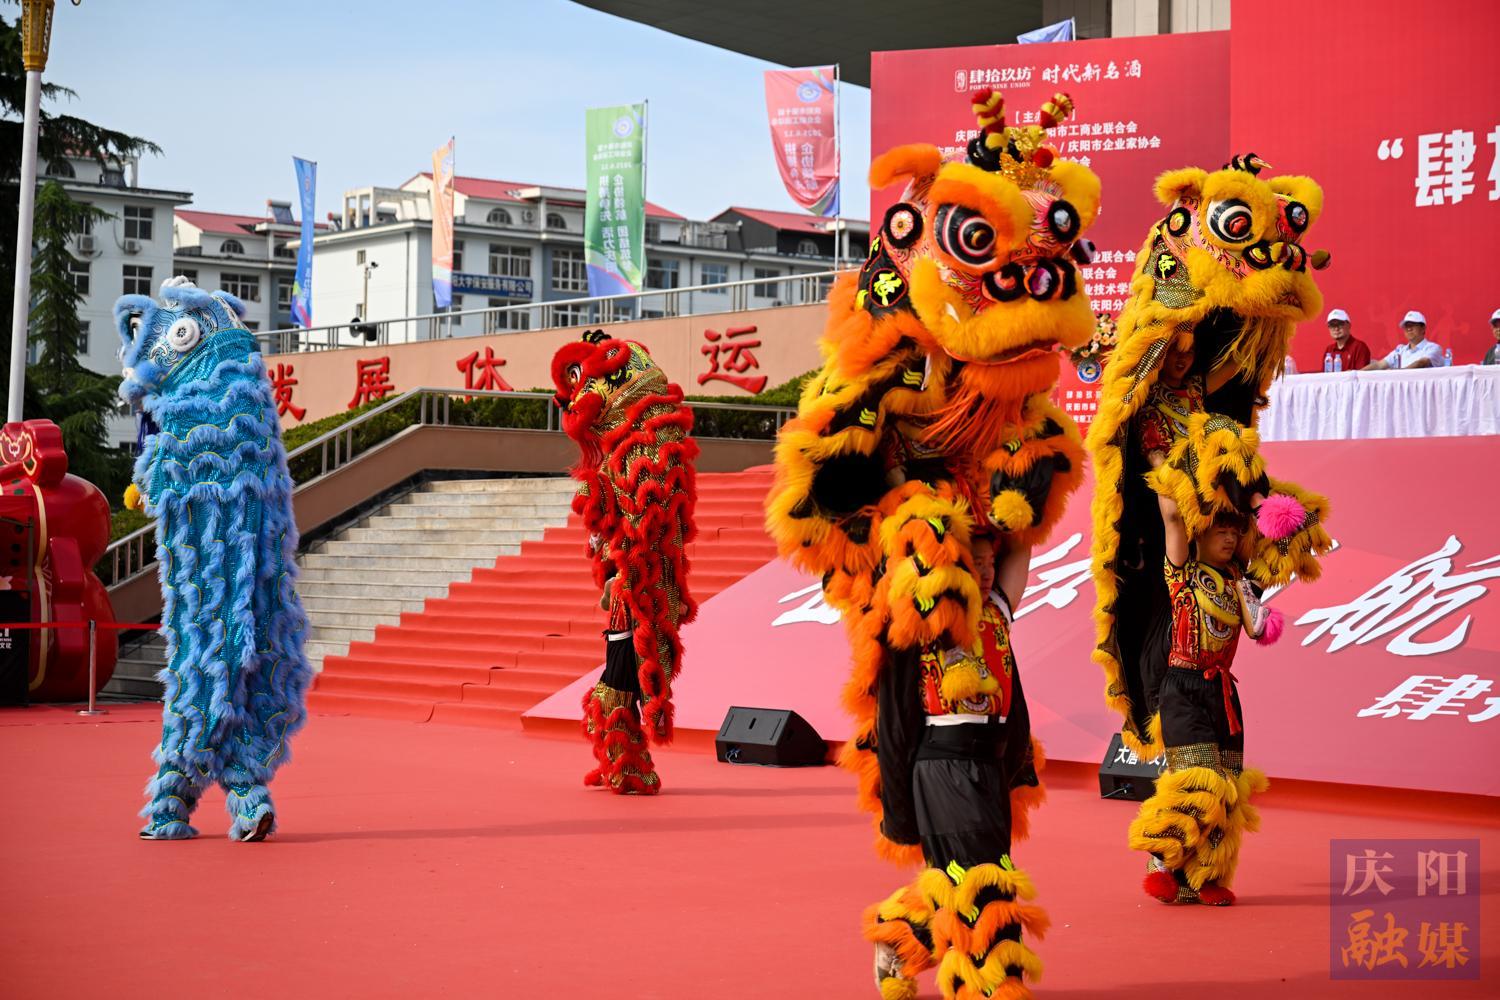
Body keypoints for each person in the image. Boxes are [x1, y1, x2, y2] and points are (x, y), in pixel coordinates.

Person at [869, 529, 1045, 997]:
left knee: (968, 874)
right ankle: (991, 983)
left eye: (990, 562)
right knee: (983, 879)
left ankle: (902, 934)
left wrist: (1010, 500)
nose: (986, 573)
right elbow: (893, 721)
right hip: (942, 766)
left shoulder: (996, 612)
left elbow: (1024, 540)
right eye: (975, 563)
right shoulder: (921, 621)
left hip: (990, 766)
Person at [1127, 500, 1283, 906]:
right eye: (1220, 531)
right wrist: (1168, 474)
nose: (1230, 539)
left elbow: (1283, 543)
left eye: (1235, 532)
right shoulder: (1182, 573)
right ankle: (1162, 861)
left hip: (1223, 693)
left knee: (1228, 789)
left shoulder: (1241, 581)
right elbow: (1172, 517)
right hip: (1182, 689)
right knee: (1199, 781)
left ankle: (1205, 876)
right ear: (1200, 534)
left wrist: (1260, 501)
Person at [1364, 310, 1445, 370]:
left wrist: (1400, 373)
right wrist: (1358, 373)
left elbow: (1421, 363)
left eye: (1412, 325)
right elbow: (1379, 365)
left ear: (1423, 328)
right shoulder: (1400, 350)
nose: (1409, 329)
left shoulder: (1433, 348)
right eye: (1406, 326)